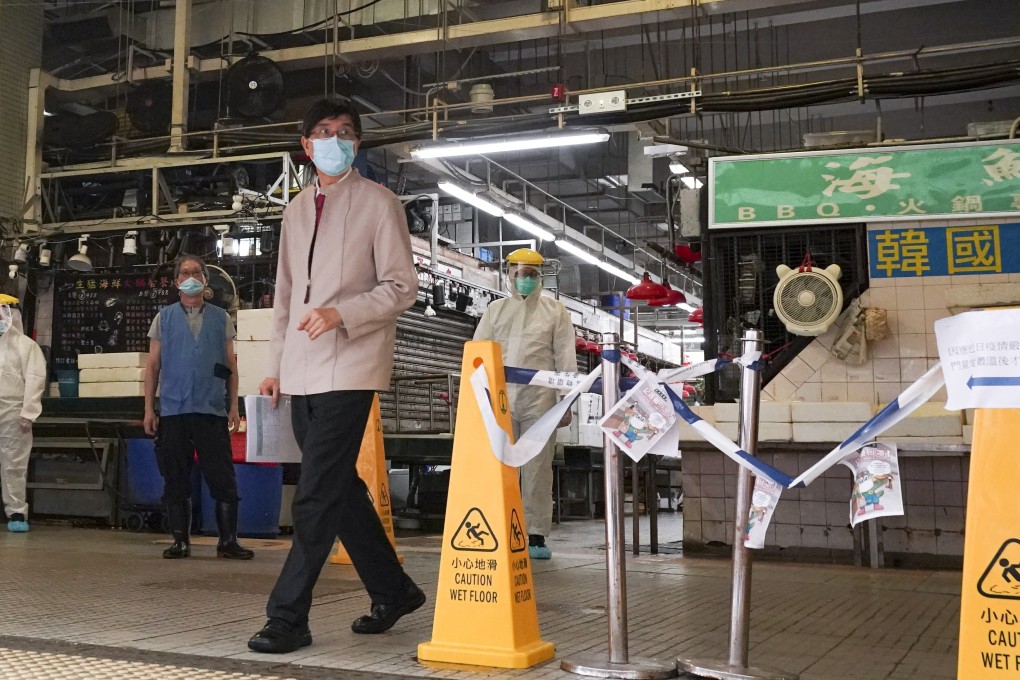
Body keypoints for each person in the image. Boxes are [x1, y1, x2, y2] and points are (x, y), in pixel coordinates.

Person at [247, 98, 422, 655]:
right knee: (338, 486)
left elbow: (401, 286)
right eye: (323, 132)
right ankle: (393, 591)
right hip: (301, 367)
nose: (334, 139)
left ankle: (288, 616)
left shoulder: (380, 204)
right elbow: (282, 296)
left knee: (316, 492)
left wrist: (342, 314)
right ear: (305, 145)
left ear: (358, 144)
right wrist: (273, 368)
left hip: (352, 362)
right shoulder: (295, 210)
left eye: (345, 132)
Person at [143, 255, 254, 561]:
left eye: (196, 272)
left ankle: (228, 541)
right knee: (176, 476)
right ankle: (180, 541)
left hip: (211, 409)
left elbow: (231, 364)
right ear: (177, 281)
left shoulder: (221, 318)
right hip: (174, 410)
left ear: (206, 280)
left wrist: (233, 405)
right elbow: (153, 366)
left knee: (222, 476)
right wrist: (149, 409)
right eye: (185, 273)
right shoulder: (163, 318)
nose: (190, 276)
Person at [473, 248, 577, 559]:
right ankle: (499, 527)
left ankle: (535, 535)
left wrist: (566, 403)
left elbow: (565, 358)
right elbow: (478, 353)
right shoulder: (495, 311)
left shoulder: (555, 312)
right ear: (508, 274)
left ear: (540, 277)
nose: (525, 279)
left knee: (536, 469)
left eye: (531, 274)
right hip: (501, 400)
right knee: (500, 465)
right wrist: (479, 398)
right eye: (519, 273)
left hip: (540, 403)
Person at [0, 294, 45, 533]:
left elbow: (35, 380)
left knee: (13, 463)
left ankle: (16, 512)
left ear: (11, 314)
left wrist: (28, 413)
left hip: (13, 413)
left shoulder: (26, 346)